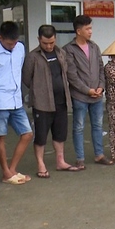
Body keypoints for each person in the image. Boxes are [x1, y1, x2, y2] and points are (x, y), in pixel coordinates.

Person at [22, 24, 77, 178]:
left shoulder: (60, 53)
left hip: (61, 100)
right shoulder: (33, 57)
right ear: (38, 39)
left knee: (60, 133)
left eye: (51, 42)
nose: (48, 46)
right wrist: (38, 91)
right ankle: (41, 163)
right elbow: (26, 79)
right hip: (42, 103)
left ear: (55, 39)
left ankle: (60, 161)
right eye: (45, 43)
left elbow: (64, 72)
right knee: (40, 135)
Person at [0, 21, 34, 185]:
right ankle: (5, 171)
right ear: (0, 38)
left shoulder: (20, 48)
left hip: (16, 100)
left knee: (27, 134)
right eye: (9, 43)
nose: (12, 46)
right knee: (0, 137)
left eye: (14, 42)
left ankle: (12, 169)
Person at [64, 14, 113, 168]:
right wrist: (87, 90)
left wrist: (100, 87)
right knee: (78, 127)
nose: (91, 31)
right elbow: (72, 75)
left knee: (98, 126)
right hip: (80, 96)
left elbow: (100, 68)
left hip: (97, 95)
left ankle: (99, 155)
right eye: (88, 28)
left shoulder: (94, 46)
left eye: (91, 28)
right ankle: (80, 158)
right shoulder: (69, 49)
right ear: (79, 31)